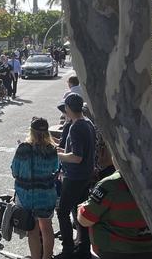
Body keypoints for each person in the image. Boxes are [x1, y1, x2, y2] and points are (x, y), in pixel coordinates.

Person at [77, 158, 152, 259]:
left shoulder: (111, 184)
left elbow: (85, 220)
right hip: (151, 249)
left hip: (114, 250)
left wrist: (81, 208)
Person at [55, 93, 96, 259]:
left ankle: (68, 250)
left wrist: (59, 155)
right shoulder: (88, 123)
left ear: (68, 108)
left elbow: (77, 157)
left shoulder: (76, 126)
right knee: (79, 212)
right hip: (86, 175)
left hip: (75, 176)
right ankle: (83, 248)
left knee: (62, 211)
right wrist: (63, 152)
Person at [11, 117, 59, 259]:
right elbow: (55, 168)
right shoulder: (51, 149)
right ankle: (47, 257)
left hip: (26, 195)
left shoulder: (24, 148)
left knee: (32, 230)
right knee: (47, 227)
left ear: (31, 131)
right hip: (46, 194)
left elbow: (15, 171)